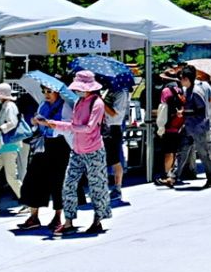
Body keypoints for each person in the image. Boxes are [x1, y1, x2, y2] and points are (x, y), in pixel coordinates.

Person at [39, 70, 111, 236]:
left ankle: (98, 220)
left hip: (93, 150)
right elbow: (73, 123)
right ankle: (69, 221)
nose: (78, 90)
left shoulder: (97, 103)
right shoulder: (80, 102)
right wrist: (55, 124)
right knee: (68, 185)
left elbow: (89, 127)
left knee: (97, 187)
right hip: (77, 150)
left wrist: (60, 125)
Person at [17, 87, 71, 231]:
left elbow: (67, 126)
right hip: (43, 143)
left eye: (49, 91)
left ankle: (58, 216)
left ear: (57, 92)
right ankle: (34, 216)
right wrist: (35, 123)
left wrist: (48, 123)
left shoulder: (65, 106)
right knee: (33, 177)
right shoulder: (42, 105)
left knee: (58, 180)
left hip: (60, 145)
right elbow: (37, 125)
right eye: (44, 91)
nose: (46, 94)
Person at [157, 67, 211, 189]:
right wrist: (184, 112)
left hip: (199, 127)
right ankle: (173, 177)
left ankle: (210, 177)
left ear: (186, 79)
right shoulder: (186, 90)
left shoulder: (196, 92)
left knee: (203, 153)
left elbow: (201, 110)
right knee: (182, 152)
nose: (180, 81)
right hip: (189, 127)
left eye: (182, 78)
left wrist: (185, 113)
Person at [0, 83, 24, 214]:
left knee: (11, 177)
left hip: (8, 145)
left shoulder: (9, 106)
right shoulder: (7, 106)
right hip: (3, 145)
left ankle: (28, 201)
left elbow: (13, 123)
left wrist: (0, 128)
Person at [155, 71, 185, 182]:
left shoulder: (166, 91)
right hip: (177, 125)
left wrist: (160, 126)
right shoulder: (180, 90)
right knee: (173, 151)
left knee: (167, 151)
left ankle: (166, 176)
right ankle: (171, 173)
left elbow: (163, 109)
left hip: (168, 125)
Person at [103, 83, 130, 200]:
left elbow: (114, 114)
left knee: (115, 159)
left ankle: (117, 188)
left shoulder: (121, 93)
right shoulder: (109, 90)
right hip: (104, 127)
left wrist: (100, 102)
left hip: (113, 127)